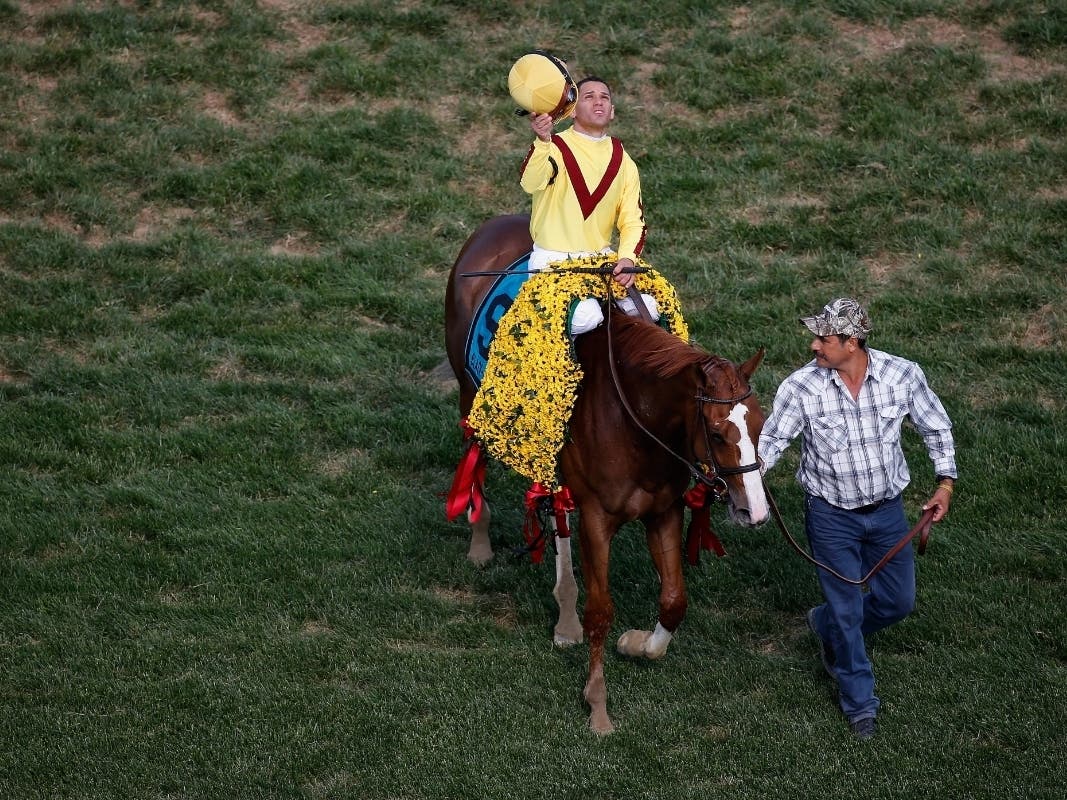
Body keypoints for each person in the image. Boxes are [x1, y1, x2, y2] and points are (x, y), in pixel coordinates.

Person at [757, 297, 958, 739]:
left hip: (887, 513)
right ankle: (859, 702)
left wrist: (944, 483)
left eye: (823, 338)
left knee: (897, 602)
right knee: (848, 614)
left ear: (851, 342)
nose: (813, 345)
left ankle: (824, 623)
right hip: (830, 517)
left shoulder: (902, 375)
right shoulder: (801, 387)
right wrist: (744, 483)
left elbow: (936, 427)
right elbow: (769, 443)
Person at [521, 75, 657, 333]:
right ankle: (552, 371)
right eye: (589, 96)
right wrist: (541, 141)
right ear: (572, 111)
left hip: (600, 262)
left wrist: (627, 257)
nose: (598, 102)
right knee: (586, 317)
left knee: (649, 308)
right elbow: (530, 182)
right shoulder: (554, 147)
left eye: (604, 97)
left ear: (613, 111)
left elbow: (632, 220)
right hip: (552, 261)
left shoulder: (624, 160)